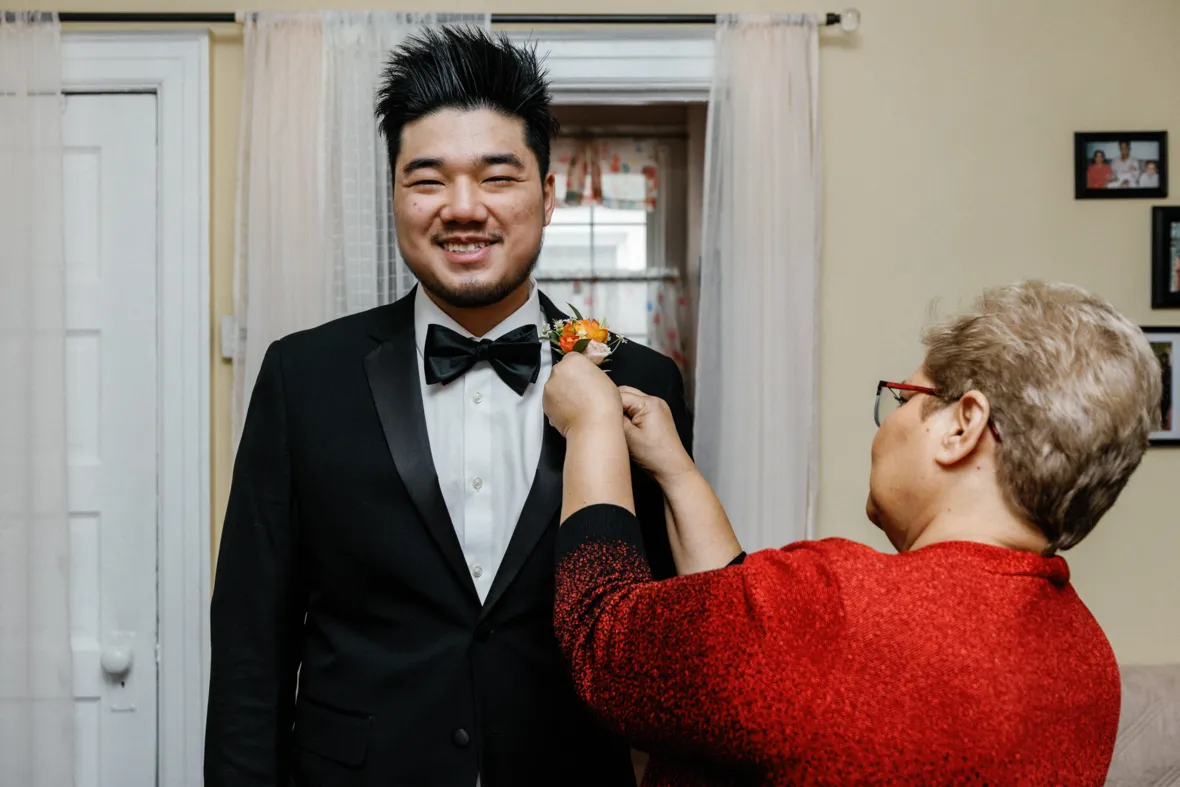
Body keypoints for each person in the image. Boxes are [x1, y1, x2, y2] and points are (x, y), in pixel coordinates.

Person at [204, 26, 691, 787]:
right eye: (428, 178)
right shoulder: (303, 376)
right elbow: (249, 645)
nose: (464, 209)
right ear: (394, 194)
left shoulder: (643, 381)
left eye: (497, 177)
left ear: (549, 195)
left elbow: (673, 634)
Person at [543, 280, 1161, 786]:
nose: (885, 426)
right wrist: (675, 469)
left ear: (962, 426)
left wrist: (592, 425)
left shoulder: (833, 607)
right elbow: (747, 658)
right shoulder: (1086, 658)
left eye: (901, 399)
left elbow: (606, 637)